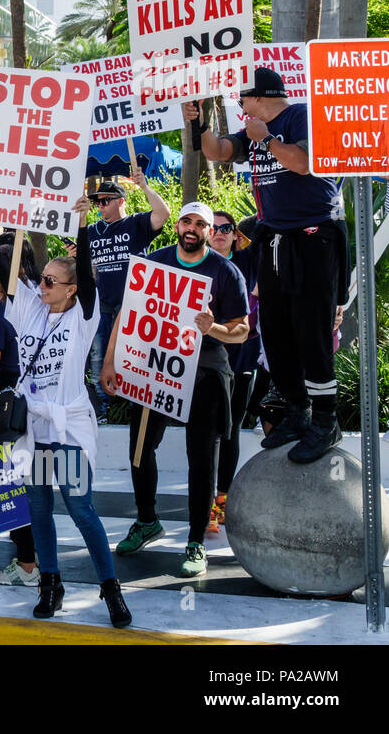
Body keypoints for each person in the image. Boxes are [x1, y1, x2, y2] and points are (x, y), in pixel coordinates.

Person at [0, 204, 132, 628]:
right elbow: (5, 270)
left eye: (50, 280)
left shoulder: (83, 316)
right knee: (38, 509)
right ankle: (50, 583)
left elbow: (88, 270)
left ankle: (110, 590)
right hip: (33, 430)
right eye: (41, 278)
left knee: (80, 509)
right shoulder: (28, 309)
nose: (40, 284)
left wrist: (81, 225)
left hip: (69, 427)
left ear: (71, 289)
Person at [187, 67, 349, 463]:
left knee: (312, 333)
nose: (239, 105)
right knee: (275, 333)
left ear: (258, 96)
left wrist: (269, 140)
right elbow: (217, 151)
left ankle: (326, 421)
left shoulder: (299, 116)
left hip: (314, 237)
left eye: (242, 98)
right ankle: (298, 412)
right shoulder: (253, 131)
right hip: (275, 241)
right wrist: (198, 121)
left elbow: (306, 162)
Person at [102, 202, 249, 577]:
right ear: (179, 224)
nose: (193, 228)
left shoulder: (226, 272)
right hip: (155, 370)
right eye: (187, 220)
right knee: (139, 450)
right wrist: (110, 362)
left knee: (201, 460)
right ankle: (147, 521)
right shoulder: (155, 262)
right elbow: (125, 313)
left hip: (204, 376)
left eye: (201, 224)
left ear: (206, 231)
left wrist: (211, 329)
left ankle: (197, 541)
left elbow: (242, 329)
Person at [84, 170, 170, 419]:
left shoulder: (135, 223)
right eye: (96, 202)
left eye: (104, 200)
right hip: (103, 304)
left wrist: (145, 187)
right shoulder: (91, 231)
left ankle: (136, 411)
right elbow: (90, 268)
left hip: (133, 304)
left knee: (134, 356)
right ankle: (102, 410)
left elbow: (163, 214)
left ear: (121, 201)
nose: (99, 206)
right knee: (99, 357)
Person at [0, 242, 39, 587]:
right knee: (38, 489)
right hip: (45, 409)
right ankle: (38, 560)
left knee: (13, 487)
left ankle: (27, 565)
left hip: (13, 416)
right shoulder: (45, 302)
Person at [207, 211, 261, 533]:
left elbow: (264, 222)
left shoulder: (248, 260)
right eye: (212, 228)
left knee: (231, 429)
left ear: (235, 235)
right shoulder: (196, 263)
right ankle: (205, 499)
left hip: (243, 357)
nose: (218, 233)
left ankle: (222, 499)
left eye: (226, 228)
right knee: (208, 430)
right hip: (206, 361)